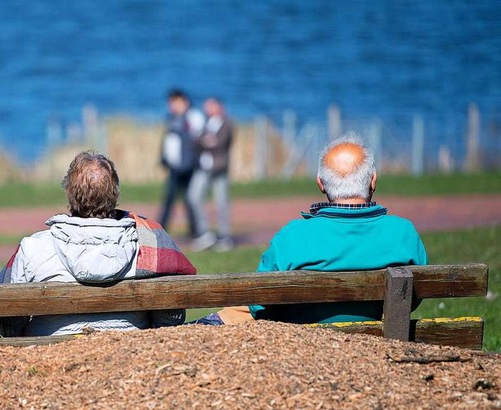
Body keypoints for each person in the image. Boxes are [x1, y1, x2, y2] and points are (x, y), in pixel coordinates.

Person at [192, 132, 427, 326]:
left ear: (320, 183)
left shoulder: (293, 236)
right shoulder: (403, 233)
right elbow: (413, 297)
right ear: (373, 180)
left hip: (305, 346)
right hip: (378, 343)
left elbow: (259, 303)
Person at [0, 151, 196, 338]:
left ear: (69, 193)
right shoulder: (150, 243)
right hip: (129, 355)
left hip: (47, 359)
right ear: (115, 194)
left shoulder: (33, 248)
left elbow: (8, 326)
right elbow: (169, 321)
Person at [188, 97, 235, 251]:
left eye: (210, 106)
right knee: (193, 196)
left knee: (221, 202)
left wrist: (207, 141)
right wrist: (205, 140)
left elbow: (220, 142)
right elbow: (196, 141)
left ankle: (224, 236)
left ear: (219, 106)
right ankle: (205, 233)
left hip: (219, 168)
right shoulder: (206, 123)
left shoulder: (227, 123)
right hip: (203, 167)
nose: (207, 109)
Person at [158, 89, 205, 237]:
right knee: (169, 199)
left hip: (189, 167)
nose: (173, 106)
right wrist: (164, 159)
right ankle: (161, 230)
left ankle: (195, 231)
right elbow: (168, 142)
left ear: (184, 102)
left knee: (190, 200)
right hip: (175, 167)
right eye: (171, 103)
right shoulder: (172, 119)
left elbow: (198, 139)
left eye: (176, 102)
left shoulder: (193, 117)